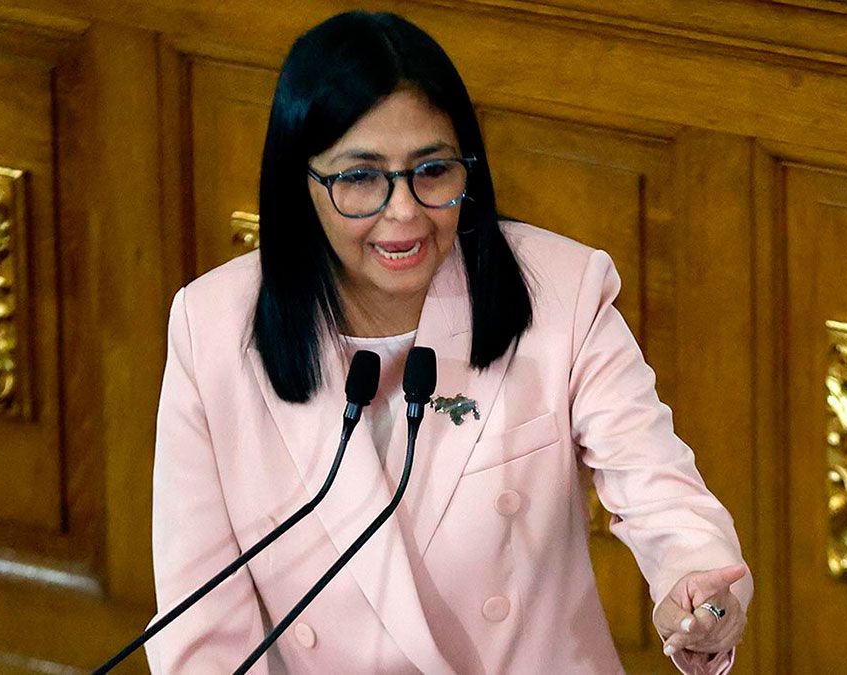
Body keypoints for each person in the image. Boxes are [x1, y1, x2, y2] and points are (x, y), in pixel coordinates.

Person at [148, 10, 752, 674]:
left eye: (432, 170)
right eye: (360, 178)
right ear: (302, 184)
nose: (404, 211)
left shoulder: (561, 291)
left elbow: (665, 500)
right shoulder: (212, 329)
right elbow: (198, 631)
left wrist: (700, 594)